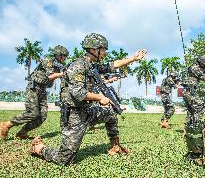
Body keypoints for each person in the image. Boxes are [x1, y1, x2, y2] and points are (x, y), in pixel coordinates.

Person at [30, 33, 147, 165]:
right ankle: (38, 148)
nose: (104, 53)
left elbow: (112, 65)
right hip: (73, 115)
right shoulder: (78, 65)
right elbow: (78, 92)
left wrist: (133, 58)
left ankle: (115, 146)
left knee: (111, 113)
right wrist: (100, 97)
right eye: (102, 50)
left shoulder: (92, 65)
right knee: (65, 159)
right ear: (93, 50)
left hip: (87, 110)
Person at [0, 45, 69, 139]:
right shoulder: (48, 61)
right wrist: (64, 73)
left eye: (66, 56)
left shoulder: (59, 67)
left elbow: (52, 79)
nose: (64, 58)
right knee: (32, 113)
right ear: (58, 54)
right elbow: (49, 76)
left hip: (42, 90)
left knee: (42, 116)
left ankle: (22, 133)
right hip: (34, 88)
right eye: (63, 56)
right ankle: (7, 125)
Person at [181, 55, 205, 159]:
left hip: (189, 91)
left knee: (191, 111)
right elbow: (204, 78)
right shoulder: (195, 68)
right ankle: (197, 128)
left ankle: (189, 129)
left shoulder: (196, 68)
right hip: (190, 91)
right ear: (203, 63)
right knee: (199, 106)